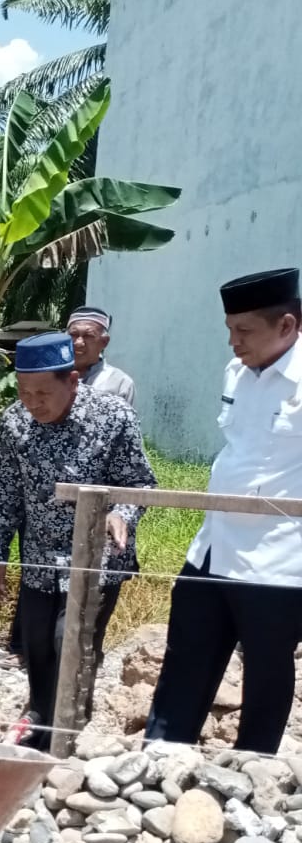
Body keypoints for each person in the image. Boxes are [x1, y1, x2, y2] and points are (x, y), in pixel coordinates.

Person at [144, 267, 302, 755]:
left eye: (244, 331)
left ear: (286, 325)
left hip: (277, 560)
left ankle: (253, 767)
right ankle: (161, 756)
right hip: (212, 546)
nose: (233, 342)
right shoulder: (237, 372)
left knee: (266, 671)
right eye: (230, 329)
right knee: (186, 654)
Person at [0, 332, 156, 752]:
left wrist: (122, 513)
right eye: (25, 392)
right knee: (37, 646)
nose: (33, 403)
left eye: (44, 393)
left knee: (73, 643)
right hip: (40, 557)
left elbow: (139, 483)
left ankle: (70, 730)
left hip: (97, 558)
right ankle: (42, 721)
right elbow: (6, 497)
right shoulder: (14, 423)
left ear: (73, 381)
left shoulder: (113, 416)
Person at [68, 306, 136, 408]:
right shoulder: (52, 376)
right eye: (74, 334)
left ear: (104, 342)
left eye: (88, 336)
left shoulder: (121, 383)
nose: (78, 343)